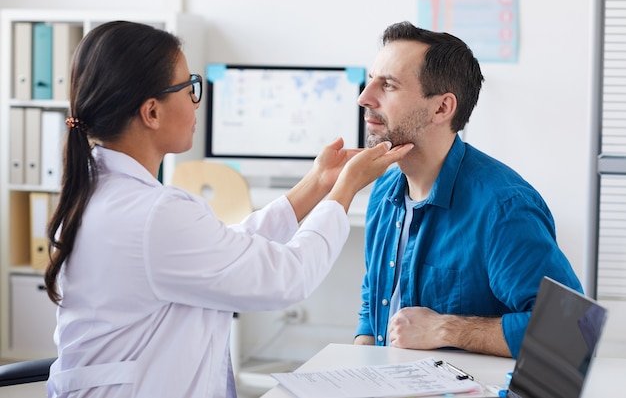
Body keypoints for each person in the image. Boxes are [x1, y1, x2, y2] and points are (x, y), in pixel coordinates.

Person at [43, 21, 413, 398]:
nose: (196, 100)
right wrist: (347, 186)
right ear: (151, 113)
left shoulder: (100, 191)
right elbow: (288, 278)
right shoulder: (154, 214)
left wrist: (319, 182)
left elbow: (226, 248)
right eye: (188, 88)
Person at [353, 21, 582, 359]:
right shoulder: (384, 191)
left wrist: (447, 328)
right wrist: (359, 364)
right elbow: (376, 299)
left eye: (387, 85)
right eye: (371, 79)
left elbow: (569, 333)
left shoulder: (503, 208)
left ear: (442, 108)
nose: (364, 97)